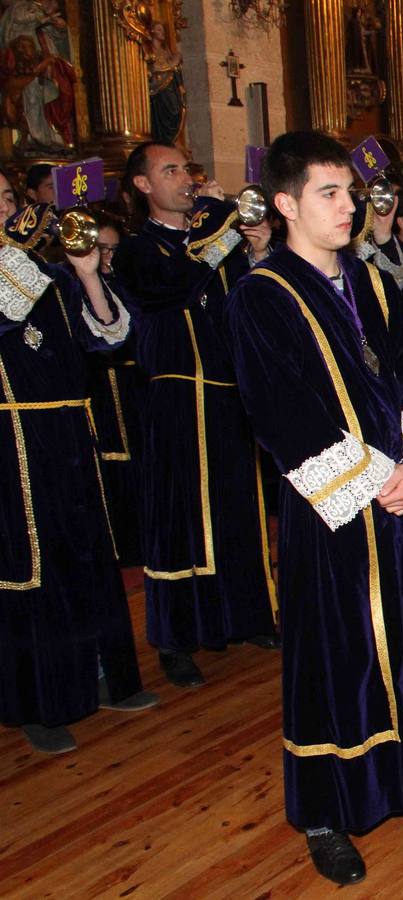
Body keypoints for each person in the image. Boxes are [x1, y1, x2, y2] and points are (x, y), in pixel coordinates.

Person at [224, 130, 403, 886]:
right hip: (332, 511)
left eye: (349, 192)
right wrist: (375, 482)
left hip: (398, 498)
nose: (348, 205)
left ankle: (401, 781)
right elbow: (279, 412)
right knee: (332, 656)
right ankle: (325, 809)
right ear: (285, 204)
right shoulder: (262, 294)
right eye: (329, 193)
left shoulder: (374, 282)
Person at [0, 179, 158, 755]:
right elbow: (9, 308)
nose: (5, 210)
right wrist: (19, 252)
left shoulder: (52, 275)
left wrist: (88, 272)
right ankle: (36, 702)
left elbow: (111, 337)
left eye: (9, 200)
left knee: (87, 553)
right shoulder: (16, 273)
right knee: (31, 566)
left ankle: (103, 678)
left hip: (70, 428)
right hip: (14, 436)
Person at [113, 140, 279, 689]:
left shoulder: (219, 239)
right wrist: (223, 231)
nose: (184, 177)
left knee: (240, 507)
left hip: (231, 391)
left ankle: (249, 614)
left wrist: (256, 251)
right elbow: (171, 287)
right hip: (176, 396)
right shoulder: (137, 249)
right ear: (143, 185)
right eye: (169, 170)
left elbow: (251, 303)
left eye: (186, 168)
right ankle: (177, 637)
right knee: (179, 517)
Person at [88, 214, 146, 564]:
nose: (107, 256)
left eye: (113, 249)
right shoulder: (79, 283)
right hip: (102, 386)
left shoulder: (130, 282)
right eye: (101, 249)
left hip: (136, 382)